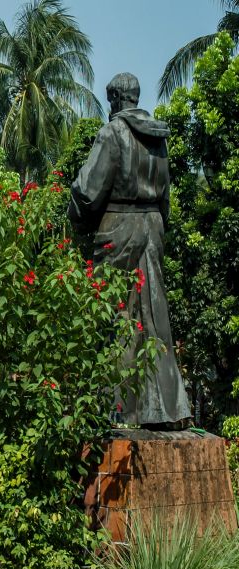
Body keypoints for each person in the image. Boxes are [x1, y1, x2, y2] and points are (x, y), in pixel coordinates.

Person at [69, 72, 191, 429]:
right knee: (154, 316)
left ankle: (119, 411)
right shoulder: (158, 140)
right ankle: (167, 411)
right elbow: (166, 197)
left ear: (115, 100)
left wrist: (75, 218)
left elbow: (88, 191)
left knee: (116, 316)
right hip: (152, 227)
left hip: (118, 228)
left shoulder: (113, 133)